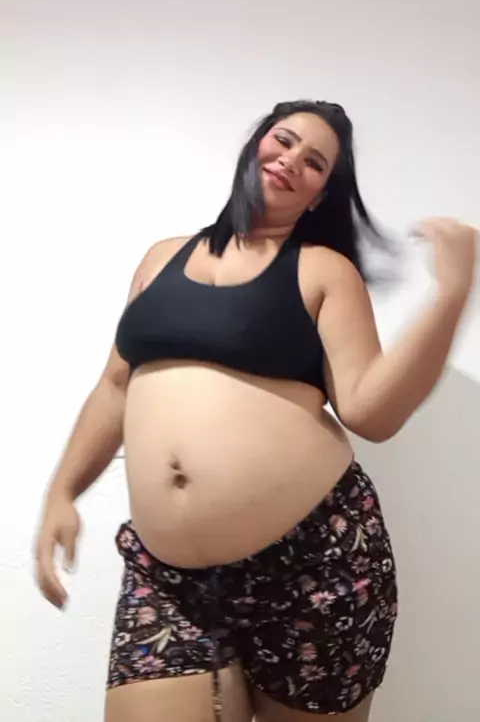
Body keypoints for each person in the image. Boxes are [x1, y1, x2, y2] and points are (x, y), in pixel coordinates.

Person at [34, 100, 477, 722]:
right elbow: (114, 386)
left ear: (321, 195)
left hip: (314, 564)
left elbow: (370, 412)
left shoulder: (324, 272)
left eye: (315, 162)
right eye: (284, 141)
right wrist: (63, 491)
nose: (292, 161)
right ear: (255, 147)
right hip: (170, 579)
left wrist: (451, 295)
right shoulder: (161, 258)